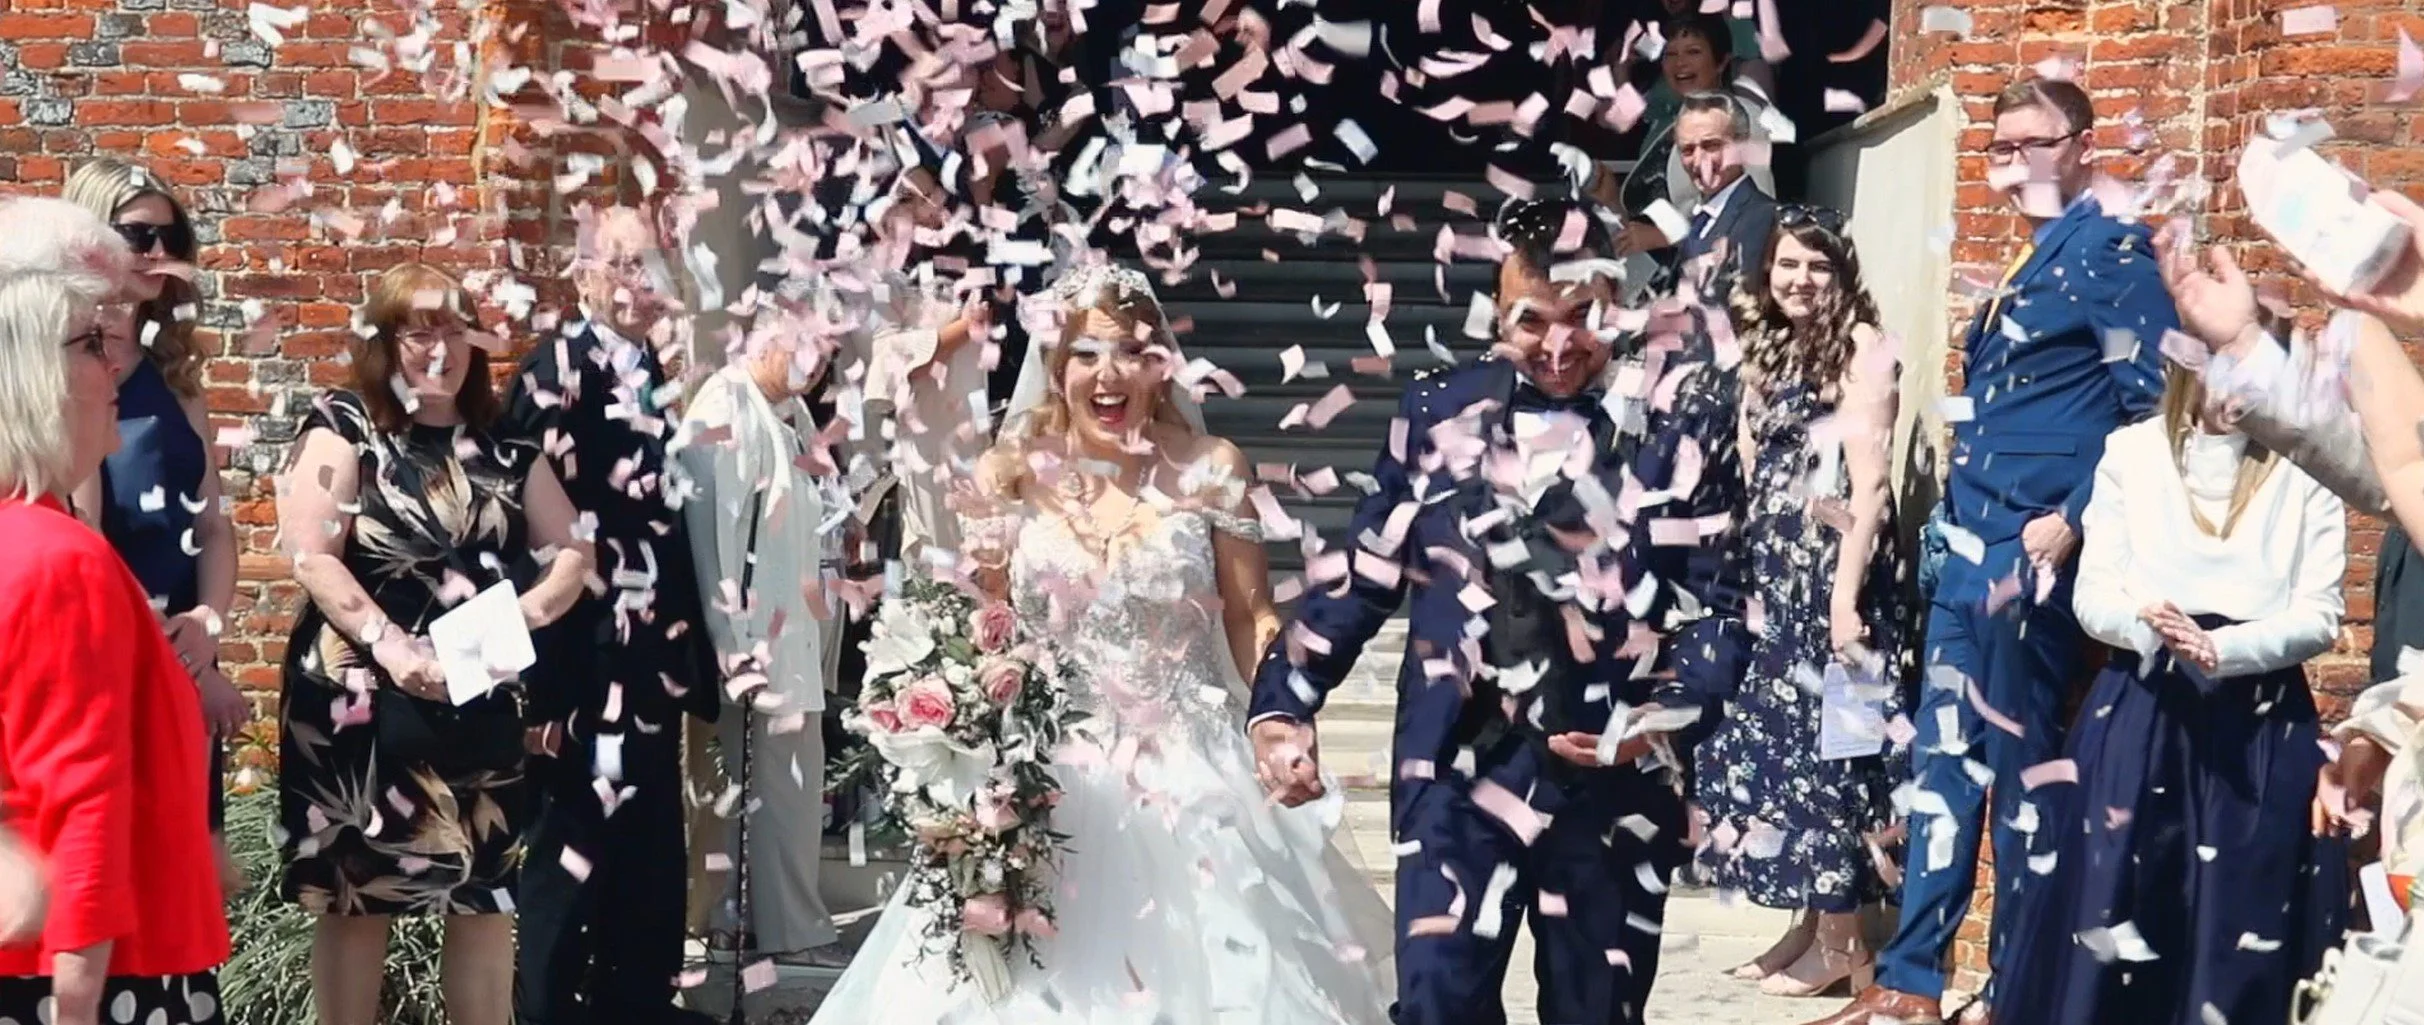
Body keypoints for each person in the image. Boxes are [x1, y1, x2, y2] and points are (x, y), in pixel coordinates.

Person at [810, 261, 1394, 1023]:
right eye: (1086, 353)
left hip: (1196, 776)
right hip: (1050, 782)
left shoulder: (1213, 471)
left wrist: (1283, 722)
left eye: (1128, 352)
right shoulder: (1006, 478)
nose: (1106, 374)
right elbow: (979, 630)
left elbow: (1252, 618)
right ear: (1057, 369)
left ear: (1159, 369)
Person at [1251, 198, 1704, 1025]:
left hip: (1611, 784)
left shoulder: (1672, 426)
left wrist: (1664, 715)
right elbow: (1365, 567)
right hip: (1455, 767)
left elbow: (1724, 606)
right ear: (1498, 316)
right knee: (1435, 1005)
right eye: (1532, 321)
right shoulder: (1435, 413)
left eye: (1583, 317)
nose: (1561, 345)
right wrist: (1287, 698)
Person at [1800, 76, 2177, 1025]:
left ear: (2083, 145)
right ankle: (1911, 983)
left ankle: (2020, 988)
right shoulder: (2032, 257)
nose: (2010, 170)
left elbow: (2152, 409)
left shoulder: (2111, 250)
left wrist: (2080, 512)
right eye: (1997, 151)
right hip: (1968, 550)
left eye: (2029, 146)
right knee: (1942, 769)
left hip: (2031, 549)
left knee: (2017, 781)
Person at [275, 263, 595, 1025]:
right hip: (358, 697)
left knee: (484, 891)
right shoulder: (343, 425)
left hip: (475, 685)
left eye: (456, 328)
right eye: (420, 329)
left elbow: (574, 555)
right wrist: (390, 643)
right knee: (358, 898)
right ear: (385, 342)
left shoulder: (511, 445)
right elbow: (313, 551)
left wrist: (519, 620)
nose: (441, 348)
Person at [1992, 348, 2349, 1023]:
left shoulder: (2309, 463)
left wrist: (2221, 647)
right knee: (2119, 911)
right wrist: (2152, 628)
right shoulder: (2131, 451)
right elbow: (2094, 592)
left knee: (2241, 918)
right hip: (2145, 712)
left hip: (2261, 723)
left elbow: (2321, 611)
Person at [0, 196, 230, 1025]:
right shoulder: (60, 557)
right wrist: (80, 992)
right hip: (94, 977)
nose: (115, 365)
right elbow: (83, 794)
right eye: (92, 343)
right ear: (32, 369)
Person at [503, 205, 726, 1025]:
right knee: (570, 861)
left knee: (645, 858)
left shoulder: (650, 371)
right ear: (583, 275)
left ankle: (640, 1004)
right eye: (623, 267)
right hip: (581, 661)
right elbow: (524, 533)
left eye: (651, 268)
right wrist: (543, 691)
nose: (641, 286)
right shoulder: (554, 370)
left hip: (648, 662)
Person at [1696, 206, 1909, 996]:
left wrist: (1845, 596)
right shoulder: (1771, 347)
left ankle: (1847, 938)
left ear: (1842, 273)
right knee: (1786, 750)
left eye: (1818, 266)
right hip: (1779, 580)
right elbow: (1756, 464)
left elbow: (1873, 482)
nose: (1801, 279)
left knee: (1838, 754)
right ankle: (1808, 921)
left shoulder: (1864, 350)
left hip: (1835, 579)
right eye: (1788, 264)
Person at [61, 157, 252, 898]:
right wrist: (177, 663)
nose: (155, 252)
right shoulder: (63, 365)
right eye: (136, 234)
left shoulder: (176, 377)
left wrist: (208, 626)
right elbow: (81, 529)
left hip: (173, 657)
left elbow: (213, 523)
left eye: (170, 237)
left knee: (185, 893)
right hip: (102, 660)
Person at [673, 311, 852, 969]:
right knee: (765, 789)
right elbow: (711, 535)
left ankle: (742, 923)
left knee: (782, 788)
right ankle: (788, 931)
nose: (817, 364)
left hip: (792, 635)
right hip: (753, 640)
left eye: (827, 352)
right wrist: (730, 640)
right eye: (807, 346)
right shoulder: (725, 405)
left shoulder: (790, 413)